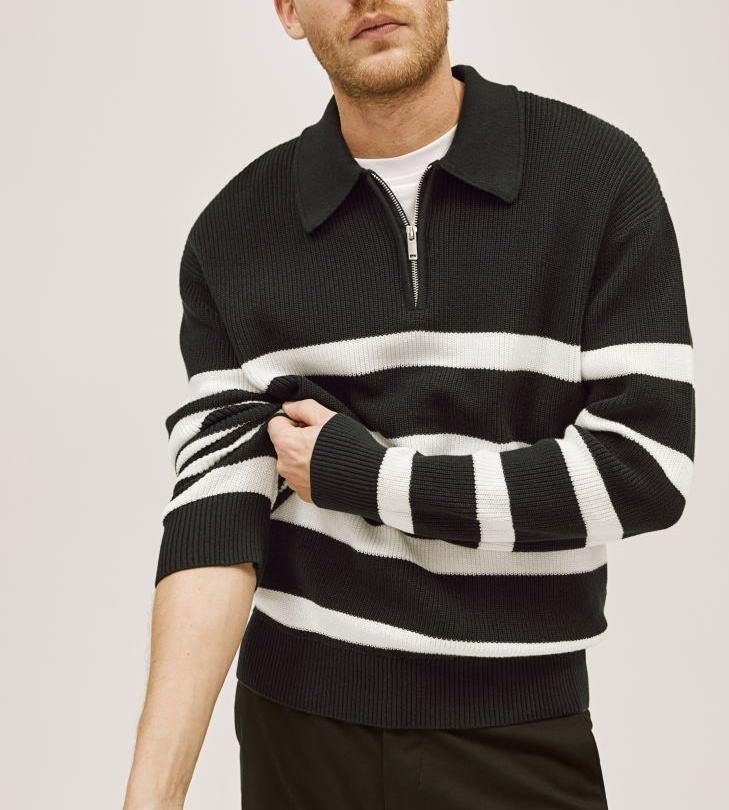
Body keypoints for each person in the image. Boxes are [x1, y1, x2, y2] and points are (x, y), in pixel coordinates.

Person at [124, 1, 696, 808]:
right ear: (288, 10)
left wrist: (372, 478)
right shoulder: (235, 233)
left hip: (519, 736)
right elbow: (214, 523)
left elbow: (645, 472)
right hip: (297, 744)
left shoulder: (596, 177)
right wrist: (149, 799)